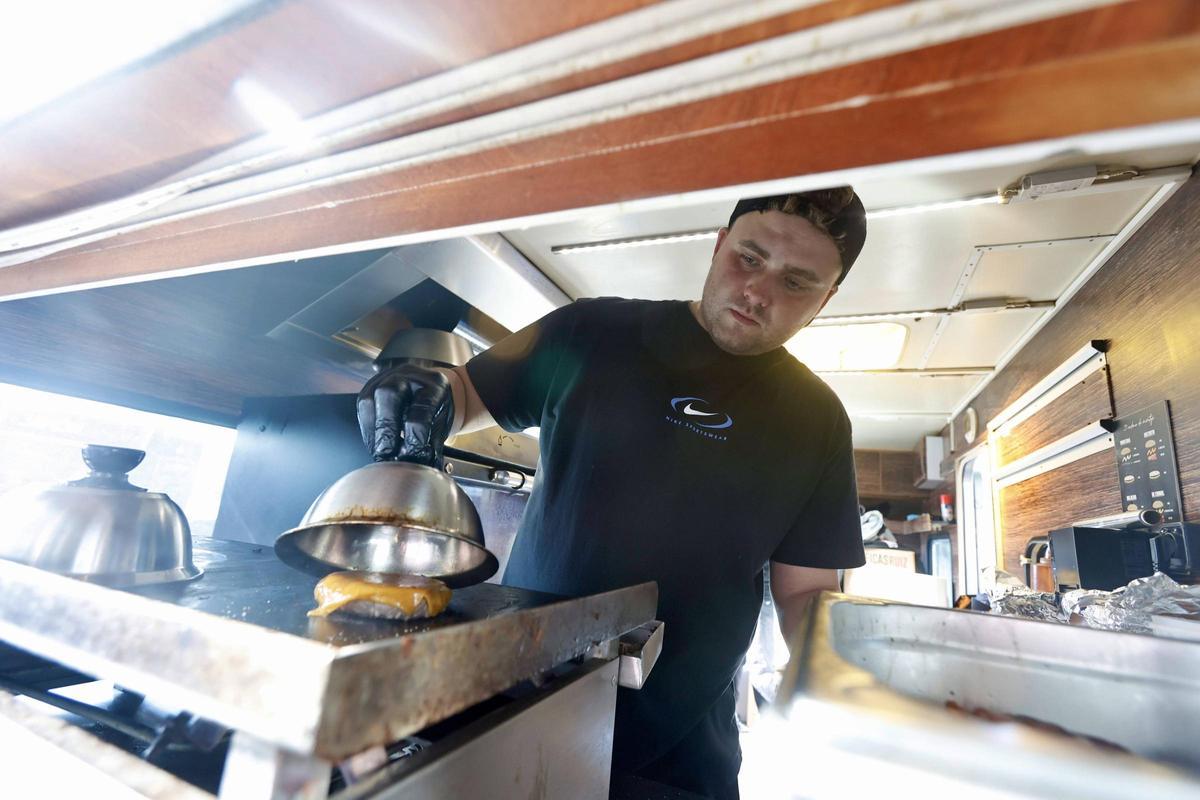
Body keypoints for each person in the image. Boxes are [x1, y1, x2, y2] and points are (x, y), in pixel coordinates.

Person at [357, 188, 868, 799]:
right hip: (521, 697)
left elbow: (806, 590)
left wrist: (849, 676)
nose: (758, 292)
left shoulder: (817, 420)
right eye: (749, 259)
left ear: (826, 299)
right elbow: (466, 393)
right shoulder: (591, 330)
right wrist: (425, 392)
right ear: (718, 245)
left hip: (680, 752)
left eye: (797, 282)